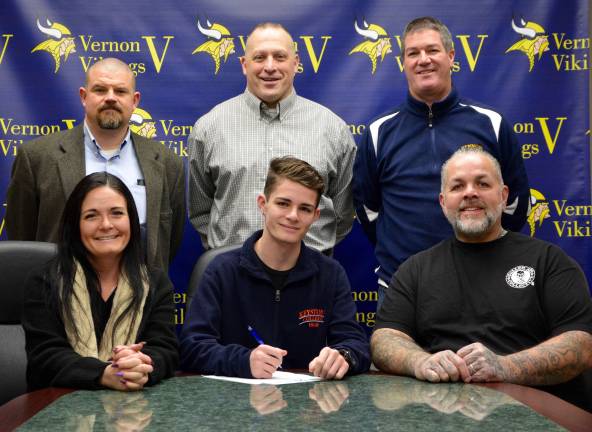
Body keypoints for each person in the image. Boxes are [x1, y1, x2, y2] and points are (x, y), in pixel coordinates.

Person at [371, 146, 592, 411]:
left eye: (482, 183)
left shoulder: (549, 261)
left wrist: (504, 367)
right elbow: (384, 338)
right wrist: (420, 361)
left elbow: (581, 344)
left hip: (531, 415)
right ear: (443, 202)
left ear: (503, 195)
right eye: (457, 186)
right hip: (440, 419)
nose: (470, 193)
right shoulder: (415, 269)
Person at [353, 16, 529, 305]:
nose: (423, 60)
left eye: (432, 50)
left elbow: (515, 206)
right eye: (413, 53)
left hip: (482, 285)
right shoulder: (378, 132)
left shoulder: (491, 124)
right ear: (403, 62)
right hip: (402, 290)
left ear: (450, 57)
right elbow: (368, 212)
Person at [180, 157, 370, 379]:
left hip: (306, 406)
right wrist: (244, 361)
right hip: (231, 405)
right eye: (283, 203)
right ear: (263, 204)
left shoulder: (331, 273)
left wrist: (343, 356)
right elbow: (191, 348)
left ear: (315, 216)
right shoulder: (221, 270)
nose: (292, 216)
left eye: (305, 209)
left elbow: (357, 345)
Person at [188, 22, 356, 254]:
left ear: (295, 63)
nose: (269, 67)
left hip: (310, 278)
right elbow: (200, 211)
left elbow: (342, 214)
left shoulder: (332, 129)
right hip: (233, 277)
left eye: (279, 57)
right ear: (244, 65)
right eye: (259, 57)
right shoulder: (210, 128)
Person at [6, 57, 184, 270]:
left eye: (120, 91)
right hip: (58, 295)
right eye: (100, 90)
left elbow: (168, 242)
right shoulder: (36, 157)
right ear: (84, 96)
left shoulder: (167, 163)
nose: (110, 98)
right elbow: (23, 236)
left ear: (134, 101)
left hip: (140, 296)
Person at [23, 172, 178, 391]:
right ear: (75, 225)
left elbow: (166, 350)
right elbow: (45, 358)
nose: (106, 225)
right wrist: (104, 374)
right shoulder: (45, 281)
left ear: (131, 221)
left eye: (117, 213)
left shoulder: (155, 283)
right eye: (91, 216)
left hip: (133, 415)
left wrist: (138, 365)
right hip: (57, 407)